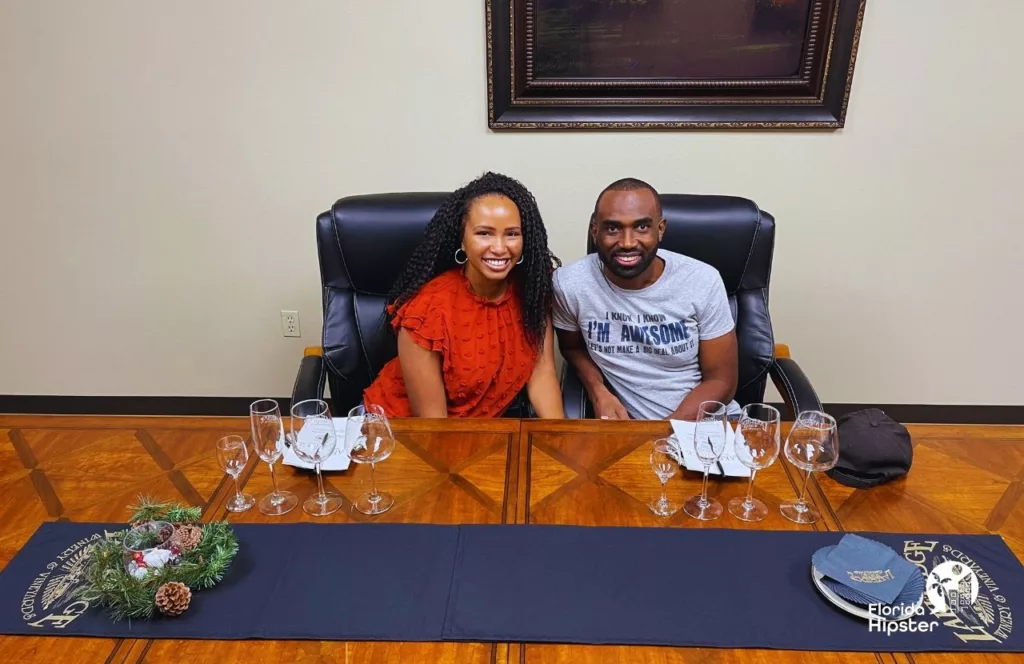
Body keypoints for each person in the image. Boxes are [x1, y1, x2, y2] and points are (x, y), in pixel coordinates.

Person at [363, 172, 565, 419]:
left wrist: (559, 443)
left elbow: (542, 373)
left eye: (512, 233)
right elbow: (435, 427)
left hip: (482, 432)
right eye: (484, 233)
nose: (500, 248)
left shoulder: (533, 290)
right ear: (462, 239)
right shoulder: (426, 313)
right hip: (399, 431)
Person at [552, 178, 739, 421]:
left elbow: (722, 379)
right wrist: (599, 392)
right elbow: (571, 347)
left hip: (704, 426)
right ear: (595, 231)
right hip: (628, 433)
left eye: (641, 227)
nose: (628, 243)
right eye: (612, 228)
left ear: (660, 229)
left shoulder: (702, 280)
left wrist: (667, 432)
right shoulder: (570, 284)